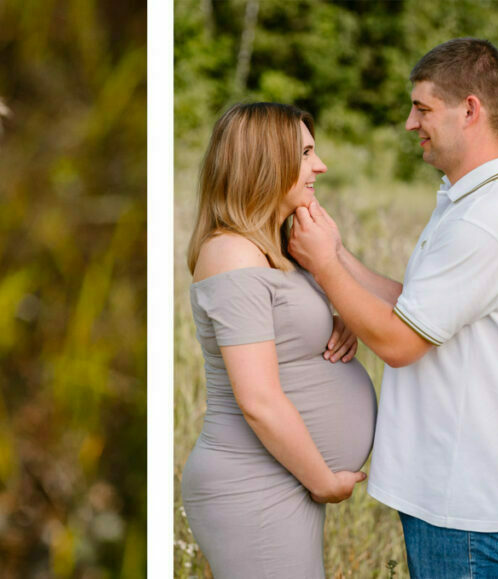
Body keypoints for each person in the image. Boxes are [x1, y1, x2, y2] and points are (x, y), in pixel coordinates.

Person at [288, 38, 498, 576]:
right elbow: (417, 306)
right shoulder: (471, 199)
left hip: (463, 503)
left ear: (470, 109)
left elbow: (400, 341)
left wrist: (328, 270)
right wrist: (334, 255)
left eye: (423, 108)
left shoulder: (487, 220)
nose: (411, 123)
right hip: (453, 492)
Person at [181, 102, 377, 578]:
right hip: (254, 486)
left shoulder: (272, 248)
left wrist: (343, 308)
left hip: (277, 481)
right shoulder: (231, 254)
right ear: (267, 163)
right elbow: (259, 400)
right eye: (307, 153)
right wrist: (324, 482)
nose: (321, 166)